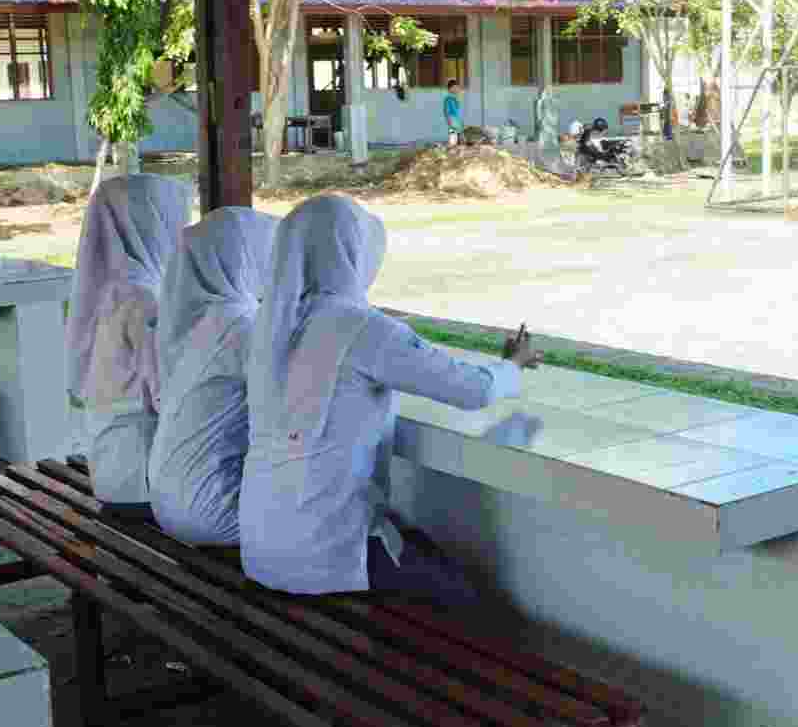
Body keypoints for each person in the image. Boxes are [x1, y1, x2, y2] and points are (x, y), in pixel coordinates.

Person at [239, 194, 542, 605]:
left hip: (260, 549)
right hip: (322, 554)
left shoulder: (270, 330)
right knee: (470, 605)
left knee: (416, 545)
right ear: (351, 252)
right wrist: (513, 366)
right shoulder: (361, 329)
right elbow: (473, 390)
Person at [148, 207, 277, 546]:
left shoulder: (194, 320)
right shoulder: (242, 325)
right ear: (247, 259)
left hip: (165, 505)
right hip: (213, 511)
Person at [66, 174, 191, 515]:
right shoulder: (143, 297)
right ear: (154, 224)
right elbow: (168, 394)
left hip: (110, 470)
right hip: (139, 480)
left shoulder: (110, 285)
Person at [443, 79, 464, 146]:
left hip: (458, 122)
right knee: (453, 140)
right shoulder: (448, 99)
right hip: (452, 122)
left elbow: (458, 112)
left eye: (457, 87)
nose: (456, 89)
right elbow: (446, 111)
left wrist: (461, 122)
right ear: (450, 89)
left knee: (459, 141)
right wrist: (449, 122)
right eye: (454, 87)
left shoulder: (455, 98)